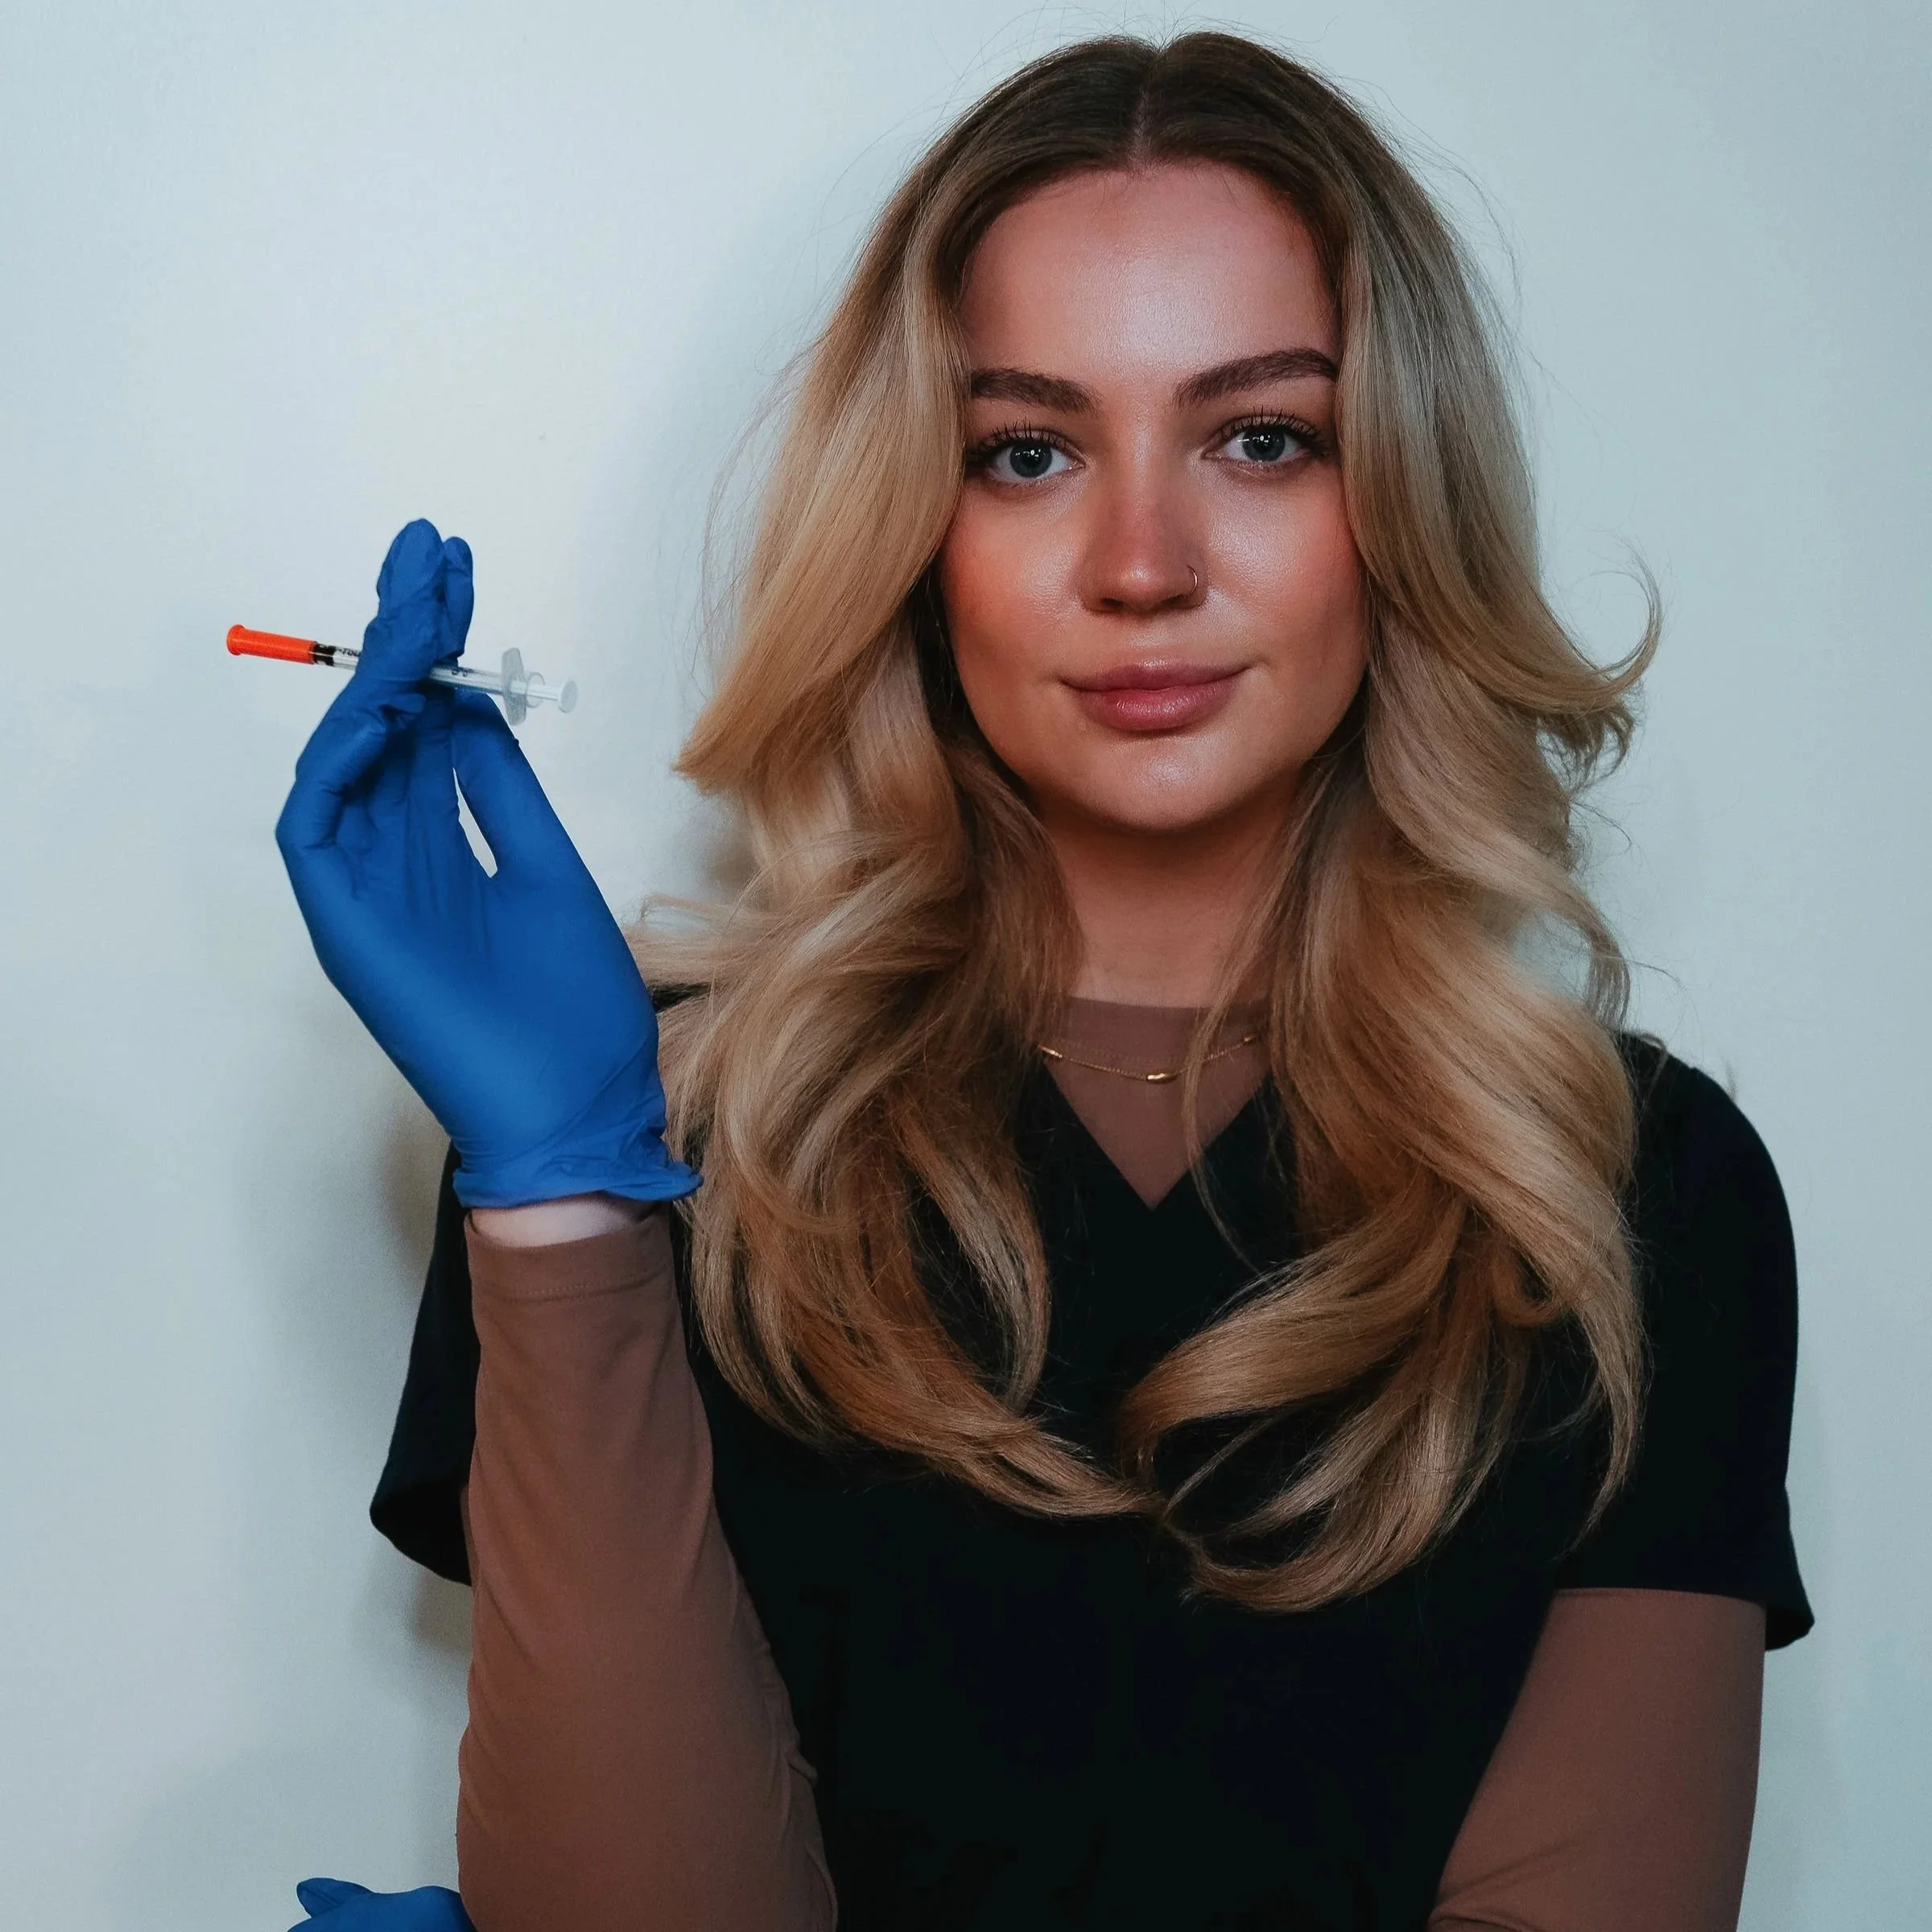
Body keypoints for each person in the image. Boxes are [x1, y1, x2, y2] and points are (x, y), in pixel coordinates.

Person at [277, 32, 1809, 1932]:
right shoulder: (654, 1129)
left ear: (1398, 502)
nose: (1141, 561)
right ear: (918, 531)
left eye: (1264, 435)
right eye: (1028, 451)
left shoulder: (1628, 1197)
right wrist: (566, 1207)